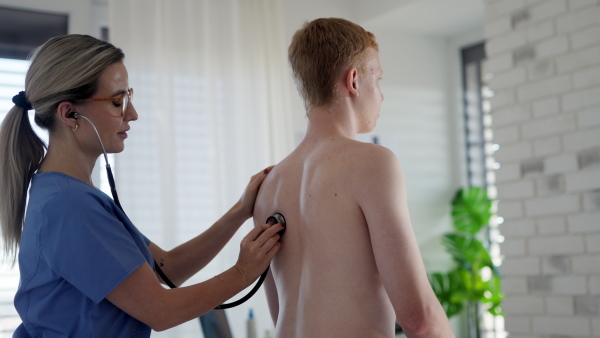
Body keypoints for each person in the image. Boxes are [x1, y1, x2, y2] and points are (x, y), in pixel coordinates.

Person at [0, 34, 283, 337]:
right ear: (70, 114)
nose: (132, 114)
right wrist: (242, 272)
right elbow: (161, 311)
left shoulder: (73, 197)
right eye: (117, 101)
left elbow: (167, 268)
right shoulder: (70, 206)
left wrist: (240, 211)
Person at [253, 18, 455, 338]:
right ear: (354, 81)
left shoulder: (268, 186)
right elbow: (420, 320)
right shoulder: (373, 163)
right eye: (379, 79)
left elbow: (282, 314)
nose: (382, 96)